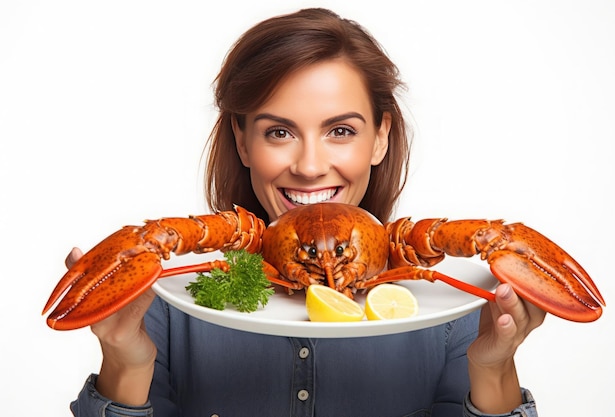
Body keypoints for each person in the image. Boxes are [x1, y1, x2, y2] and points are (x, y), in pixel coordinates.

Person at [68, 8, 543, 417]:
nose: (311, 167)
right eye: (279, 132)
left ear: (380, 136)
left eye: (340, 131)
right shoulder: (172, 295)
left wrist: (493, 366)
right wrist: (124, 360)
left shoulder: (452, 300)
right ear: (242, 141)